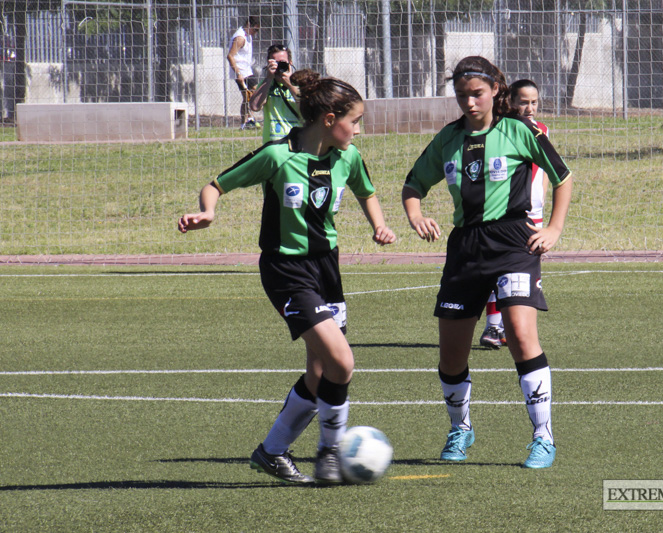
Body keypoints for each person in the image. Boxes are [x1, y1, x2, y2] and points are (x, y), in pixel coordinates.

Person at [179, 70, 396, 484]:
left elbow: (366, 191)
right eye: (355, 120)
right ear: (330, 119)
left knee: (320, 371)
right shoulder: (278, 155)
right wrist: (207, 212)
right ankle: (330, 452)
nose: (358, 129)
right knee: (341, 362)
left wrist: (378, 225)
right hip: (286, 270)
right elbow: (217, 184)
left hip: (326, 269)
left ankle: (271, 452)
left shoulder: (346, 157)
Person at [401, 56, 573, 469]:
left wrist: (553, 229)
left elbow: (563, 176)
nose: (469, 103)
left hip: (514, 242)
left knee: (518, 332)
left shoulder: (519, 130)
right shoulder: (447, 139)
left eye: (476, 94)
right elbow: (413, 184)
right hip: (465, 249)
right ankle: (461, 429)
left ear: (497, 90)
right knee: (451, 356)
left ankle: (542, 436)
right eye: (462, 96)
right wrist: (415, 214)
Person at [480, 79, 549, 349]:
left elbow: (546, 171)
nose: (529, 108)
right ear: (510, 102)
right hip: (506, 214)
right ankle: (493, 326)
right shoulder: (502, 130)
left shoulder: (542, 130)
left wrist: (541, 204)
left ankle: (514, 328)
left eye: (534, 102)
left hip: (533, 213)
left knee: (524, 272)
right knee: (496, 269)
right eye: (523, 102)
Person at [249, 43, 302, 143]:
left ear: (290, 63)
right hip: (273, 144)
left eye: (282, 62)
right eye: (275, 63)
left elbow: (307, 109)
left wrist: (289, 84)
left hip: (297, 143)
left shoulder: (300, 83)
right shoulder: (266, 84)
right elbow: (255, 107)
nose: (279, 66)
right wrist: (269, 78)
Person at [227, 16, 260, 130]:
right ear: (248, 25)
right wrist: (238, 74)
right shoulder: (240, 37)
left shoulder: (248, 36)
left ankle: (249, 119)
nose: (256, 33)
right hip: (240, 71)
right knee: (247, 96)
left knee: (253, 93)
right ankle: (245, 122)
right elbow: (230, 56)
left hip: (247, 70)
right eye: (255, 30)